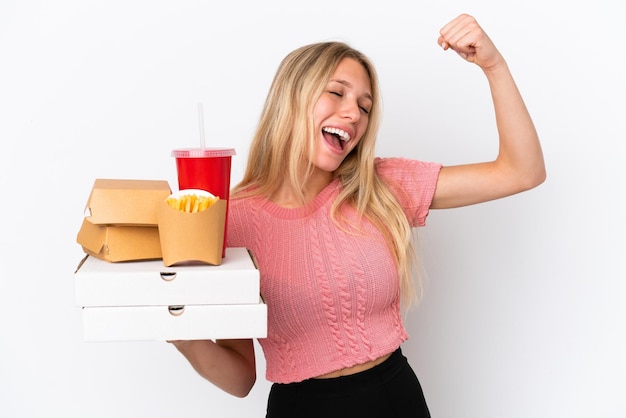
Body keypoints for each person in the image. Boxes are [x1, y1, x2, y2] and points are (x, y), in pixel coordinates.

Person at [170, 13, 546, 418]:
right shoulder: (230, 221)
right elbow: (240, 377)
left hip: (394, 398)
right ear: (292, 98)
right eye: (337, 93)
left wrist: (494, 66)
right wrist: (173, 327)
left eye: (364, 107)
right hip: (301, 408)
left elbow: (521, 171)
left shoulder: (379, 185)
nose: (354, 114)